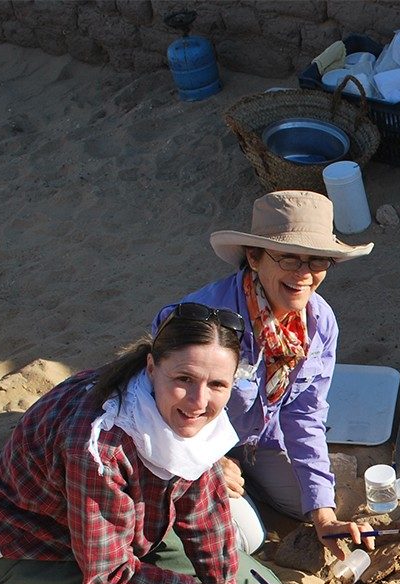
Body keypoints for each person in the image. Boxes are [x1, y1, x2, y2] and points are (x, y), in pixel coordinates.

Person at [0, 304, 292, 584]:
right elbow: (109, 577)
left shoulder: (185, 410)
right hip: (31, 554)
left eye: (217, 385)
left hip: (119, 536)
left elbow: (203, 511)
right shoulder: (99, 442)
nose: (199, 401)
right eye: (184, 379)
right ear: (152, 368)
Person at [155, 191, 375, 558]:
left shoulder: (320, 323)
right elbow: (159, 405)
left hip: (261, 438)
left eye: (317, 260)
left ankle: (245, 479)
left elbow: (304, 414)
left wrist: (324, 516)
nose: (304, 274)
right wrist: (208, 461)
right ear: (254, 258)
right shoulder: (200, 321)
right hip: (192, 437)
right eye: (288, 257)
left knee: (316, 503)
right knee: (246, 538)